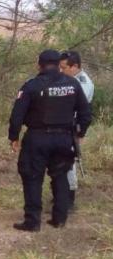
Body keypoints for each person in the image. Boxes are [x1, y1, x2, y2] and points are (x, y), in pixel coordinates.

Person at [9, 50, 92, 232]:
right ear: (58, 65)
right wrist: (80, 133)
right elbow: (86, 113)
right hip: (64, 138)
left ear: (39, 65)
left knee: (32, 177)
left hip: (37, 138)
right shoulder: (73, 84)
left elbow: (17, 115)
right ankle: (59, 219)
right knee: (61, 176)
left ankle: (32, 221)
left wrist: (14, 137)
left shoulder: (31, 86)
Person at [59, 50, 94, 211]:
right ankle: (61, 194)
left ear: (75, 66)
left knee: (69, 163)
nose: (61, 71)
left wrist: (80, 133)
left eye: (64, 67)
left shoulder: (83, 83)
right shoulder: (69, 79)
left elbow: (79, 109)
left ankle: (69, 199)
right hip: (63, 125)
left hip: (73, 127)